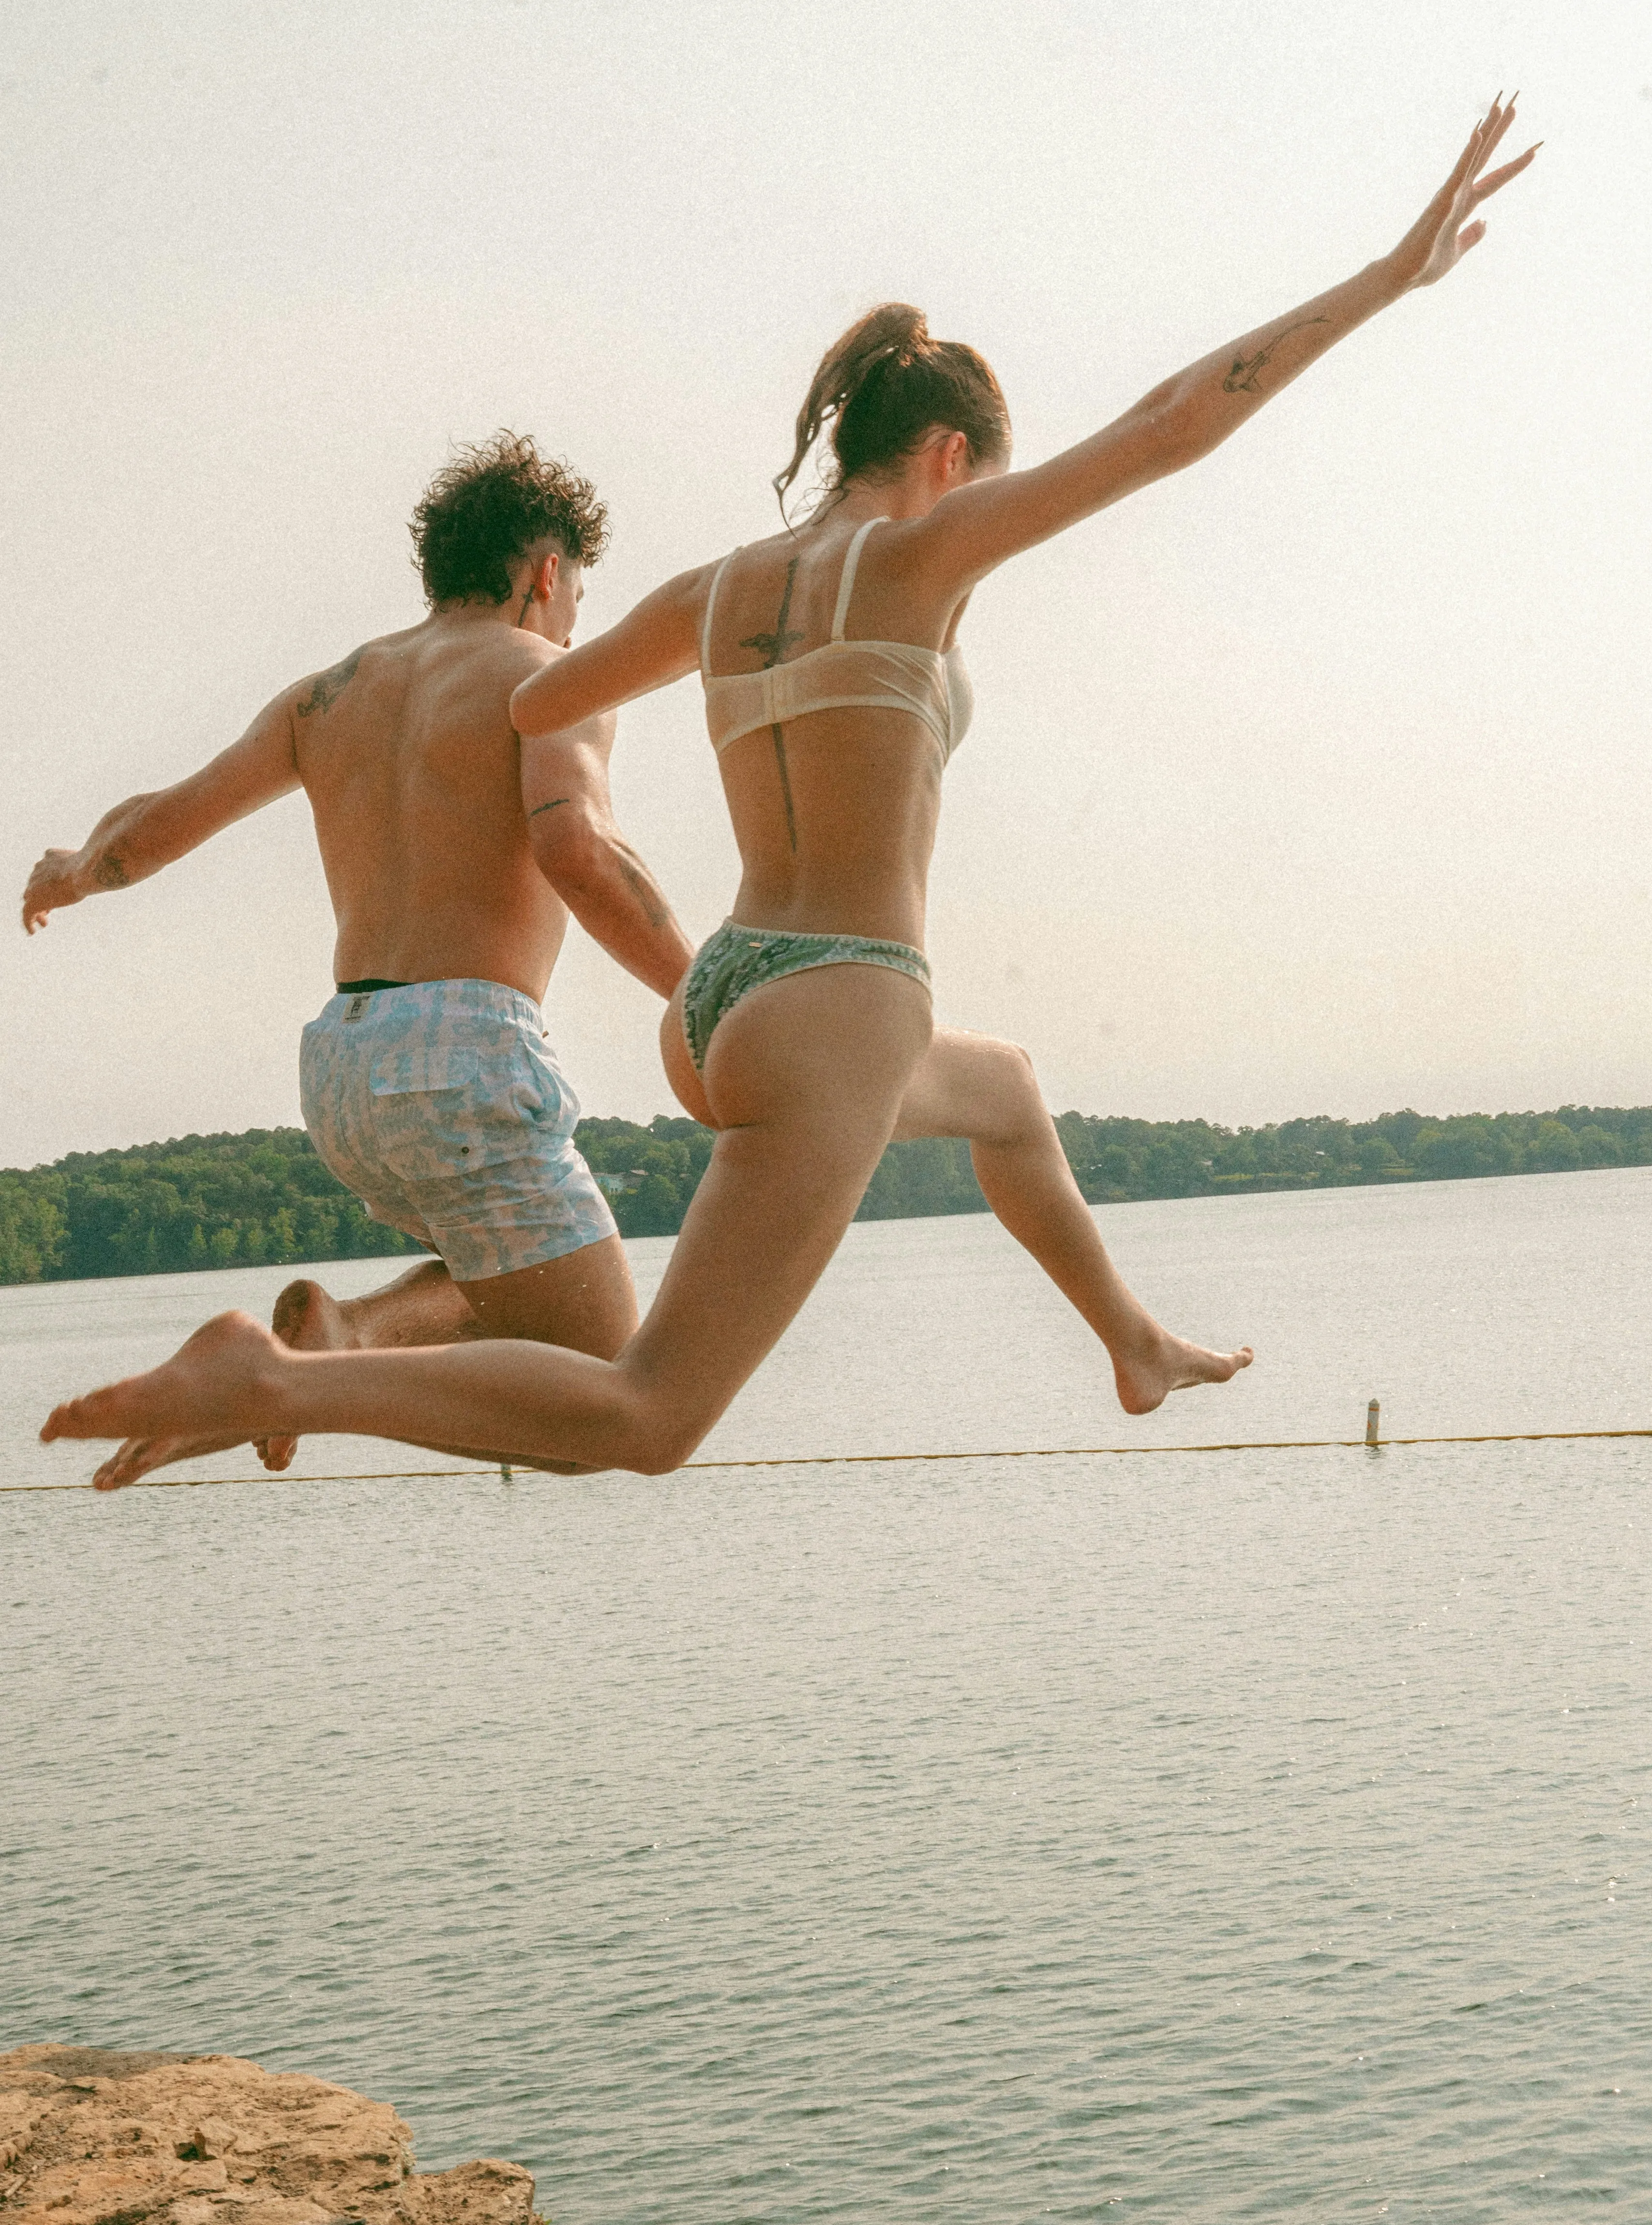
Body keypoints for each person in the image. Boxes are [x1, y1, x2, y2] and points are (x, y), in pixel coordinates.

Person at [44, 99, 1535, 1479]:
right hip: (840, 997)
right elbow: (1172, 422)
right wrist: (1385, 280)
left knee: (1007, 1093)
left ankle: (1132, 1344)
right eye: (978, 479)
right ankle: (278, 1382)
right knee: (647, 1417)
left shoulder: (714, 591)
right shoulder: (922, 558)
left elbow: (539, 700)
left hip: (723, 1006)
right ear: (948, 455)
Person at [22, 433, 694, 1483]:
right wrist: (704, 996)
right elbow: (579, 847)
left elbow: (160, 823)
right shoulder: (548, 679)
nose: (575, 621)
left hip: (343, 1066)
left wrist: (74, 871)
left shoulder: (327, 695)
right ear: (545, 571)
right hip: (464, 1054)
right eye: (576, 594)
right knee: (609, 1397)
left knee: (503, 1287)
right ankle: (286, 1381)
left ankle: (341, 1341)